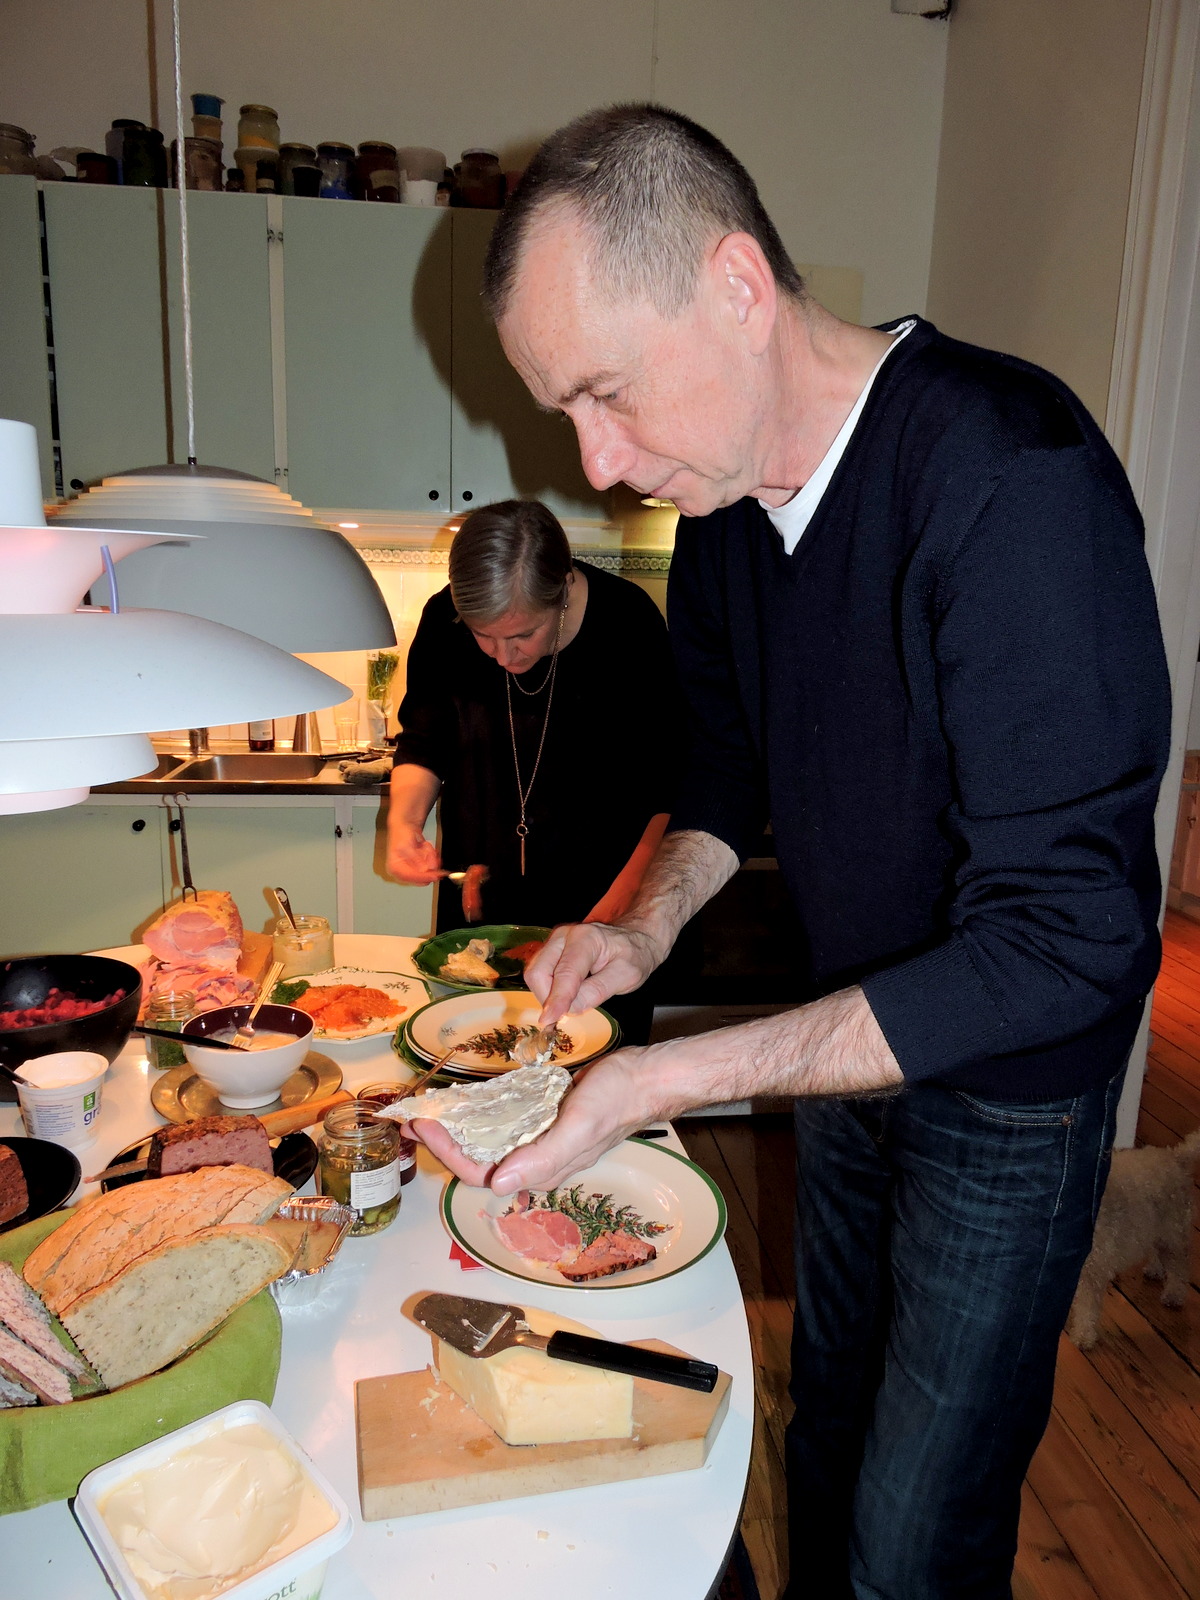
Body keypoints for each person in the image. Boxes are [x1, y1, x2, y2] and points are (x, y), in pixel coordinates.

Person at [411, 107, 1173, 1598]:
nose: (597, 461)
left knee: (915, 1534)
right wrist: (641, 926)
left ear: (738, 287)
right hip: (853, 1046)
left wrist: (673, 1073)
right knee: (825, 1427)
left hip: (1012, 1097)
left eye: (606, 392)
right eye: (567, 411)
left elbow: (1069, 937)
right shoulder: (724, 513)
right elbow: (724, 779)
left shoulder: (1010, 477)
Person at [386, 497, 680, 1041]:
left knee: (593, 1063)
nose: (503, 656)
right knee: (467, 1057)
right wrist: (404, 824)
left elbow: (668, 784)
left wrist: (620, 910)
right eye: (483, 635)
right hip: (481, 903)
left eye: (522, 635)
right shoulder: (442, 620)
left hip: (603, 898)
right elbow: (424, 741)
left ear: (562, 590)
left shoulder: (628, 623)